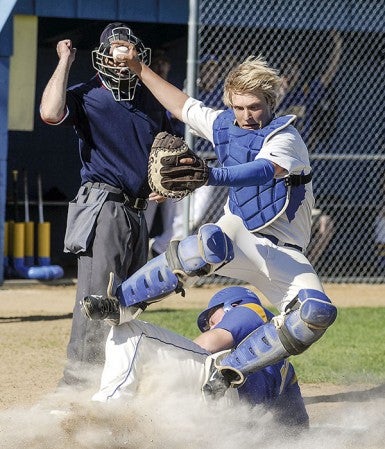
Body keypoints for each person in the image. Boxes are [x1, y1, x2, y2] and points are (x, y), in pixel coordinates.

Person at [81, 49, 337, 397]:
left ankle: (231, 370)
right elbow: (180, 105)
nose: (246, 116)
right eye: (239, 107)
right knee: (208, 242)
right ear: (230, 102)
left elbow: (264, 171)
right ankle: (121, 302)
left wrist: (208, 175)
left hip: (283, 252)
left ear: (271, 101)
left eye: (255, 107)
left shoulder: (287, 136)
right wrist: (138, 67)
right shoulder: (224, 125)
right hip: (240, 234)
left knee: (316, 314)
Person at [39, 22, 173, 389]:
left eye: (126, 49)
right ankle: (76, 387)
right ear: (100, 58)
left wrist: (160, 186)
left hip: (138, 209)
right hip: (104, 205)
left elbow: (165, 158)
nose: (119, 58)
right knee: (97, 298)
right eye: (113, 51)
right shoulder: (89, 95)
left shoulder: (151, 101)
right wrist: (65, 60)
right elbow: (50, 113)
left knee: (129, 301)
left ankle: (114, 383)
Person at [93, 286, 309, 432]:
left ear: (231, 306)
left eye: (210, 318)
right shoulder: (287, 370)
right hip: (228, 425)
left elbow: (205, 345)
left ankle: (105, 412)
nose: (209, 325)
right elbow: (298, 428)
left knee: (130, 329)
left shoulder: (251, 310)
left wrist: (157, 364)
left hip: (218, 390)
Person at [276, 31, 343, 266]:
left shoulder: (305, 92)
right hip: (278, 165)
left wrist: (337, 46)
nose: (290, 75)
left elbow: (328, 75)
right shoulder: (273, 98)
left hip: (299, 164)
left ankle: (306, 267)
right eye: (286, 71)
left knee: (324, 223)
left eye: (294, 70)